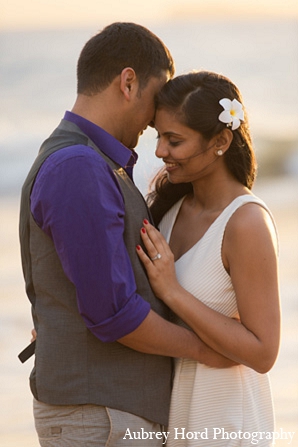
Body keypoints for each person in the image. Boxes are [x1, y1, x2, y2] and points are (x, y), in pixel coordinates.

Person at [19, 24, 234, 447]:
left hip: (105, 417)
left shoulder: (91, 161)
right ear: (129, 82)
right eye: (158, 99)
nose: (158, 118)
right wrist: (208, 350)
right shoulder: (79, 166)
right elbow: (113, 313)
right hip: (98, 419)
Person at [137, 70, 281, 446]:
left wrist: (174, 292)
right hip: (180, 422)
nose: (159, 151)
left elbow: (263, 352)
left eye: (174, 140)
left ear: (220, 141)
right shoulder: (168, 211)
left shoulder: (246, 222)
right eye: (159, 137)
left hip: (229, 425)